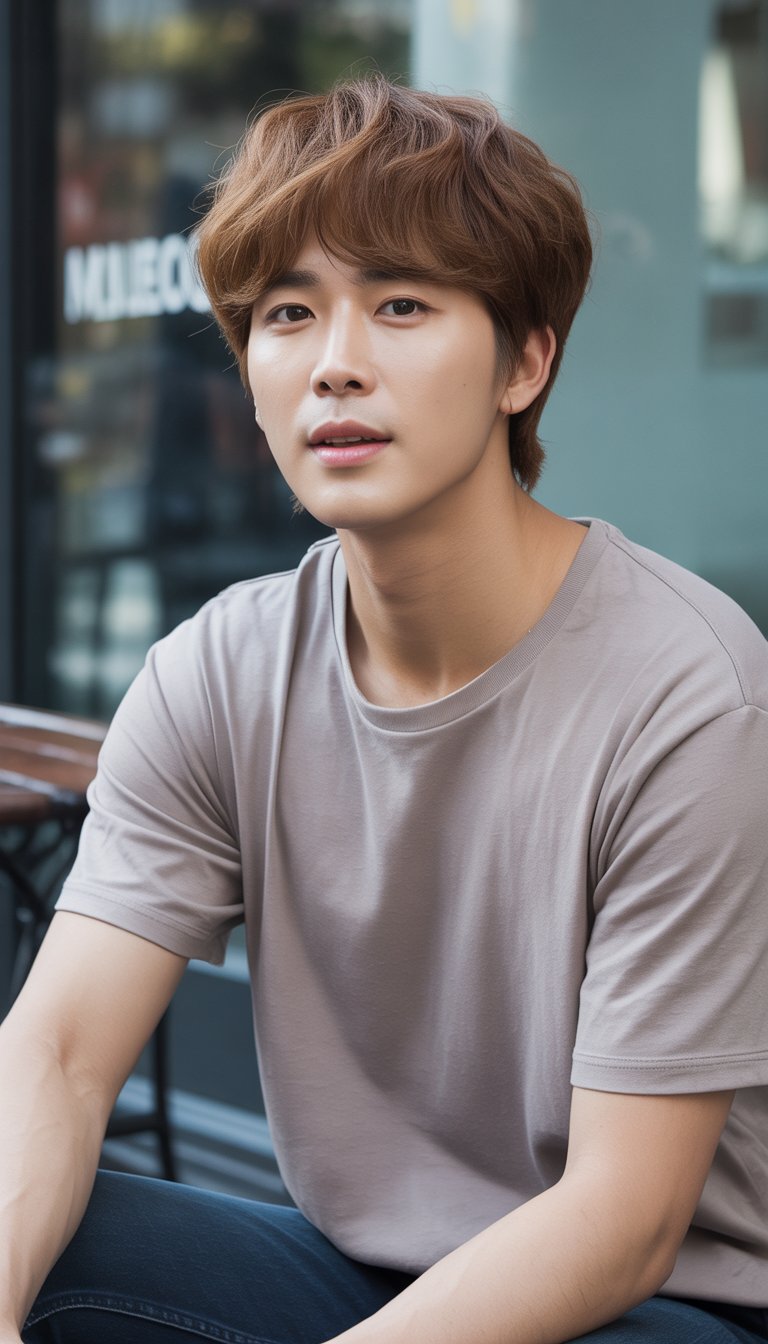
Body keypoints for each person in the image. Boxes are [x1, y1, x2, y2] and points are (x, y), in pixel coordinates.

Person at [2, 75, 768, 1344]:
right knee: (47, 1239)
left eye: (401, 305)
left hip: (659, 1308)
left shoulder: (691, 697)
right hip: (363, 1278)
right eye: (289, 314)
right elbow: (60, 1055)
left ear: (526, 362)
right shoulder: (218, 674)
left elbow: (627, 1216)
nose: (337, 363)